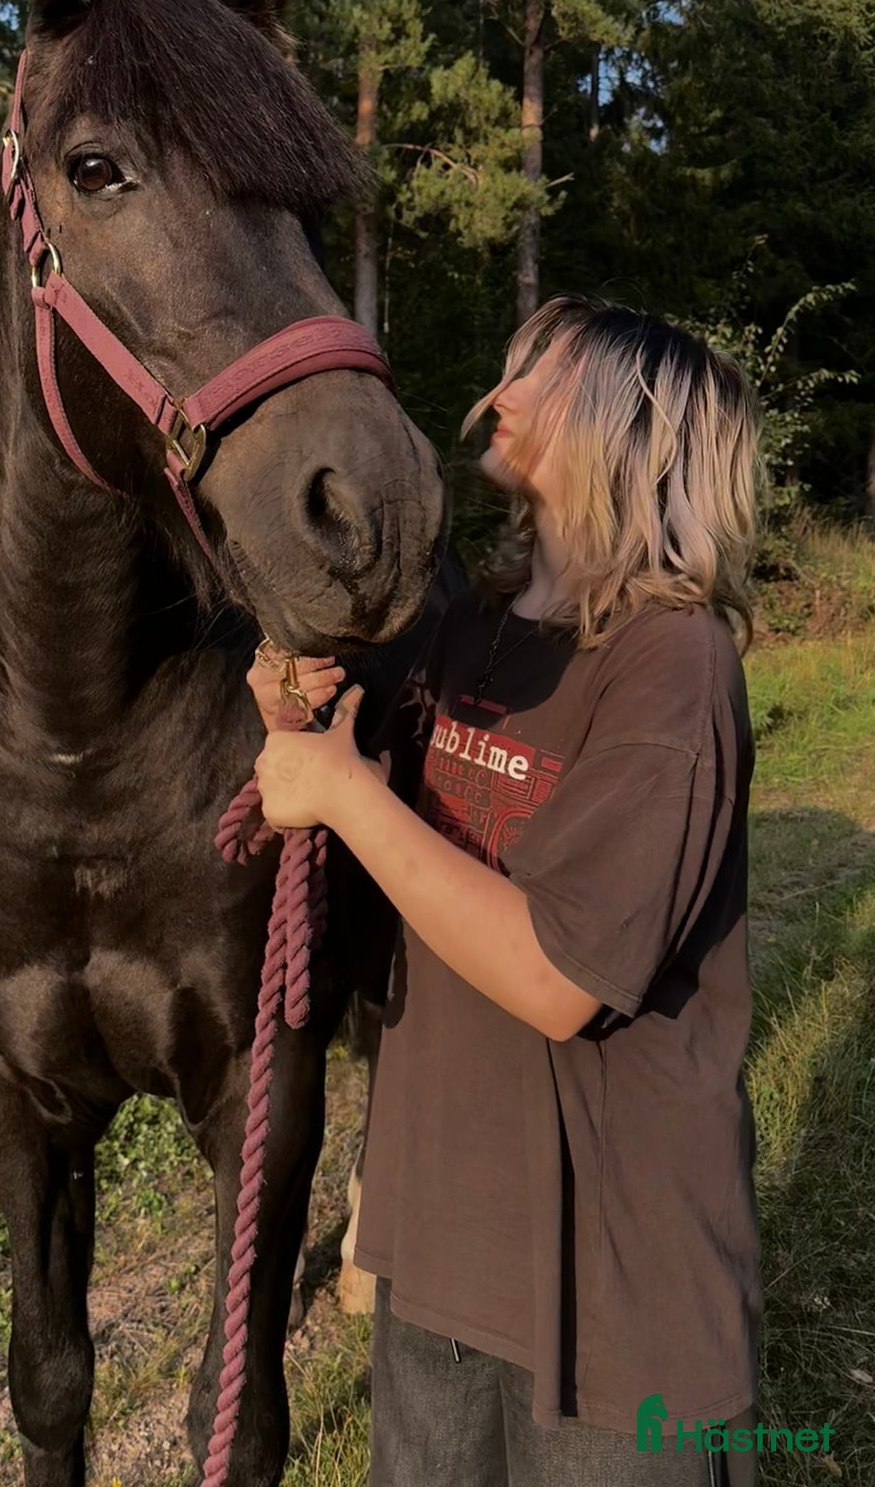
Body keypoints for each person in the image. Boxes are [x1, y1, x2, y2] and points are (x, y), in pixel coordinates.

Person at [246, 295, 764, 1487]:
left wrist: (346, 798)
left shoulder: (672, 667)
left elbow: (555, 976)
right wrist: (301, 721)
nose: (502, 391)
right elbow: (388, 834)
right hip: (439, 1245)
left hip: (616, 1301)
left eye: (542, 375)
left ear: (622, 433)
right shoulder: (476, 625)